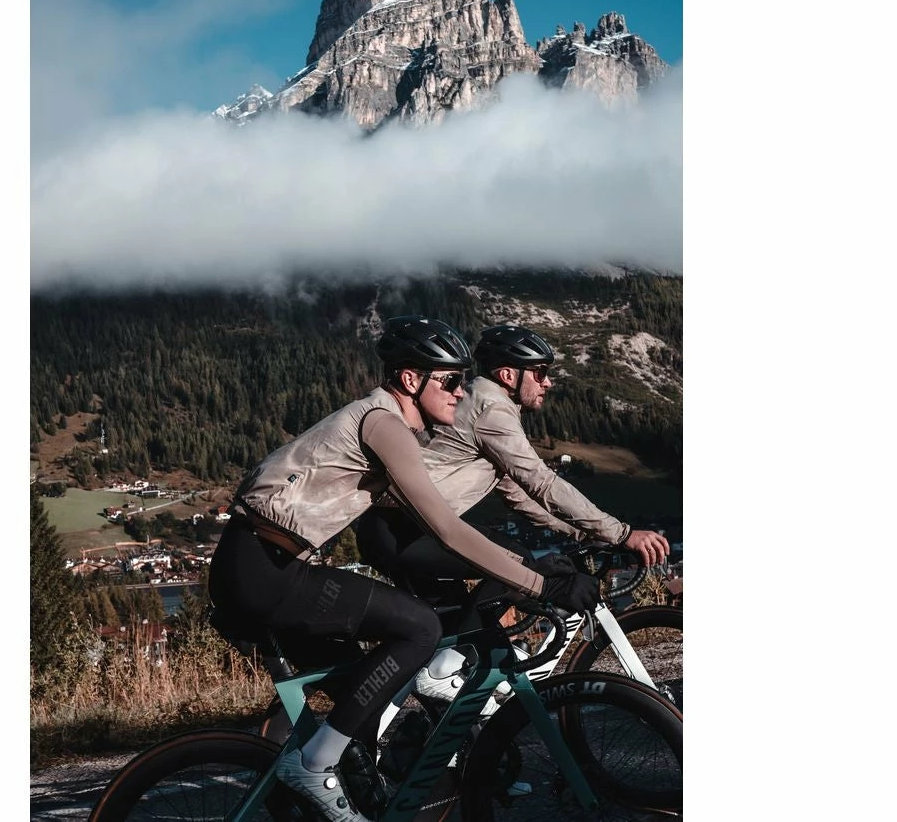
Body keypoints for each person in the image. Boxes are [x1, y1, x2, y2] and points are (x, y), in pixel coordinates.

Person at [207, 316, 598, 822]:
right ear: (411, 379)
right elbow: (447, 530)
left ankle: (349, 785)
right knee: (420, 627)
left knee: (361, 694)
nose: (461, 392)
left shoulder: (388, 423)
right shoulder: (384, 424)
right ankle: (314, 767)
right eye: (450, 381)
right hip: (265, 571)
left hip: (261, 566)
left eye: (463, 380)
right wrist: (538, 585)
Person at [357, 323, 671, 702]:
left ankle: (458, 710)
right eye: (540, 372)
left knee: (466, 628)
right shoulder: (491, 410)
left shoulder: (482, 405)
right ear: (508, 375)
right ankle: (443, 672)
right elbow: (541, 483)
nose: (547, 382)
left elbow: (517, 496)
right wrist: (619, 533)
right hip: (405, 531)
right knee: (518, 563)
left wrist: (585, 533)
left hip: (400, 529)